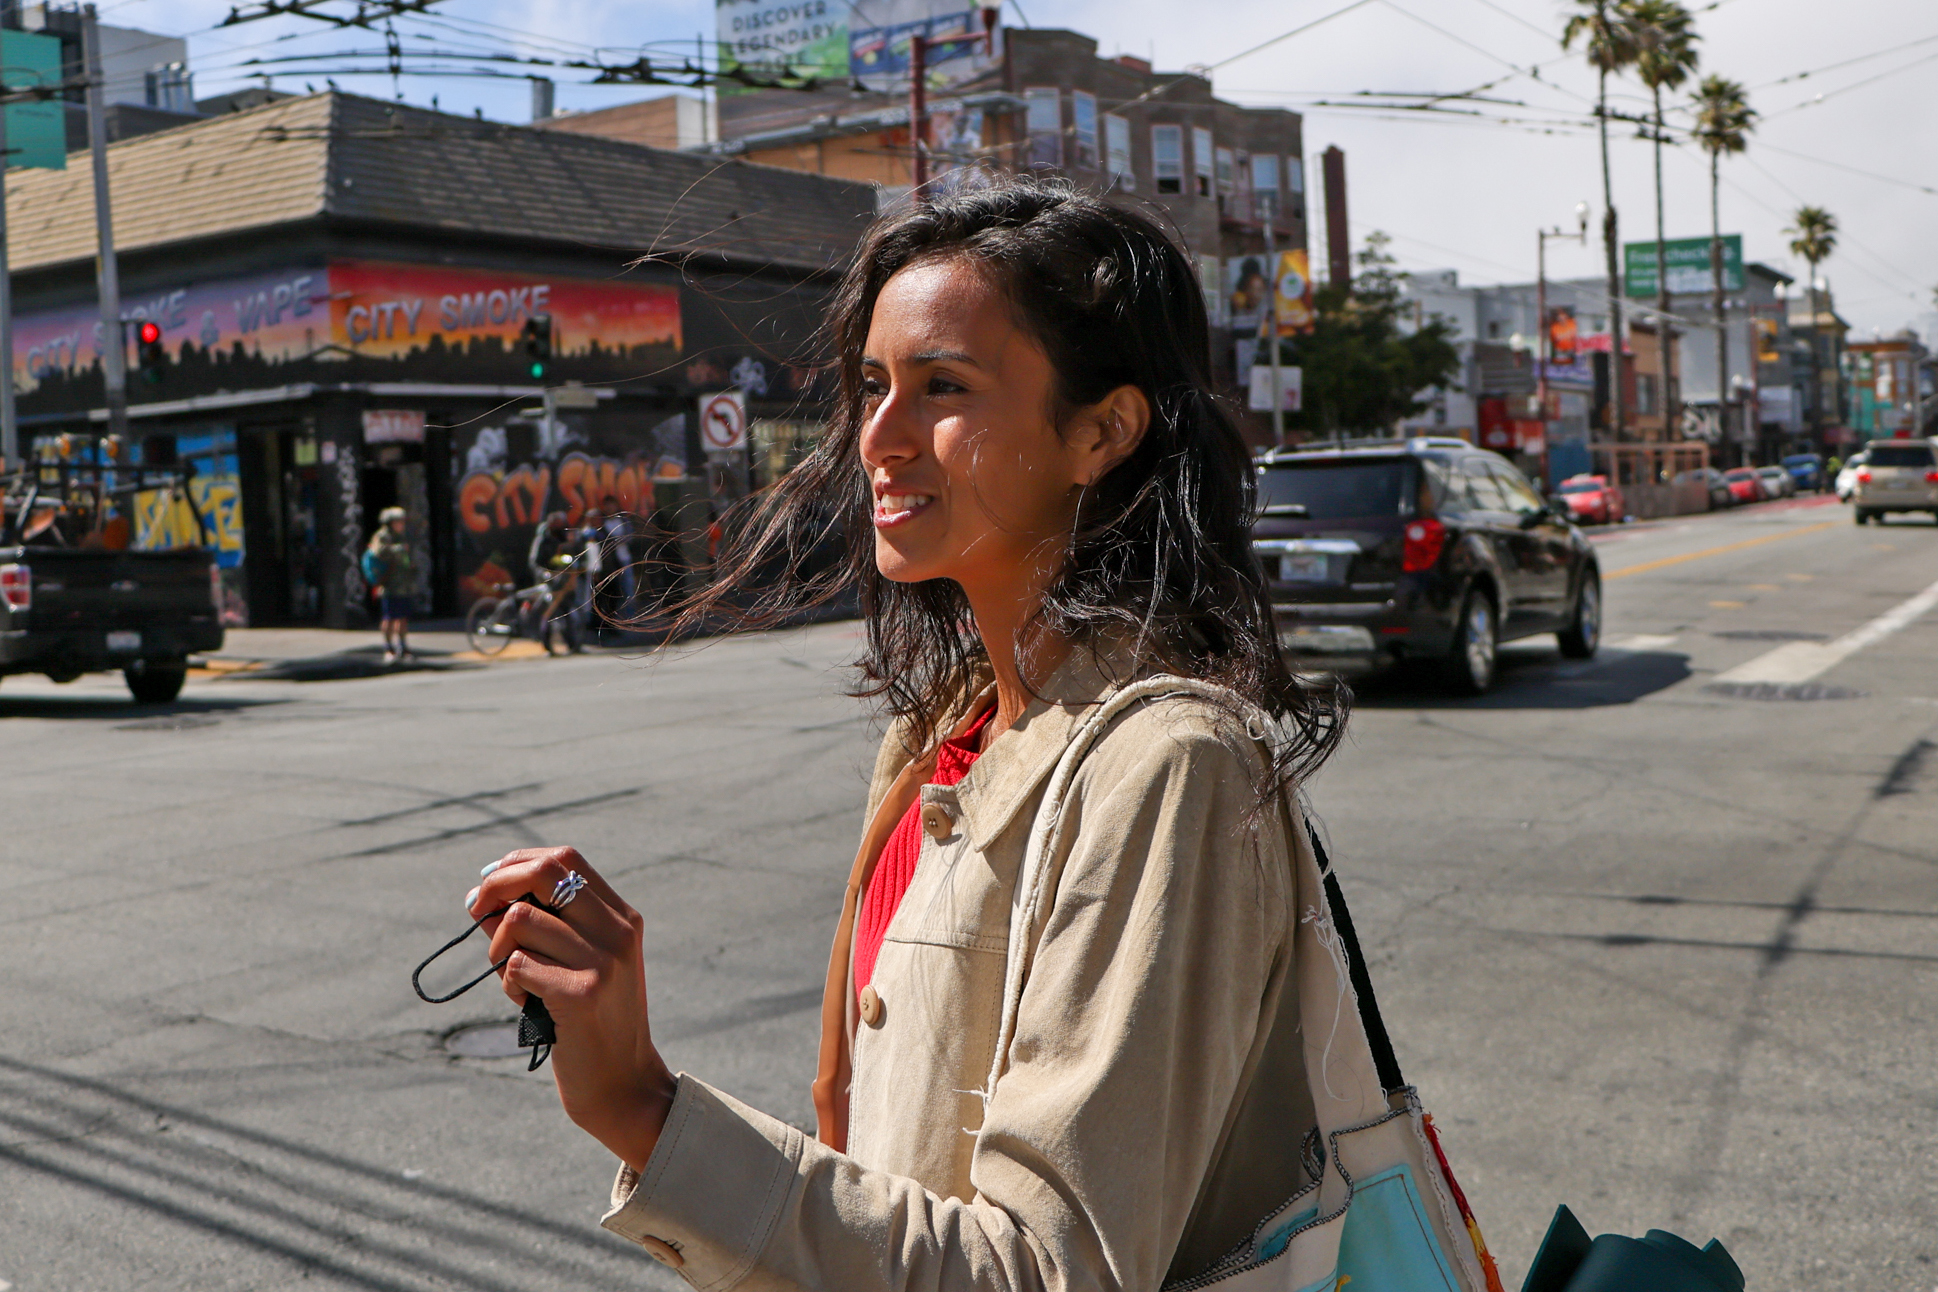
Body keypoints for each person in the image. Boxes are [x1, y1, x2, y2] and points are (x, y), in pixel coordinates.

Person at [465, 180, 1357, 1291]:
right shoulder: (939, 731)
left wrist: (646, 1108)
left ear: (1102, 430)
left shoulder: (1169, 768)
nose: (878, 437)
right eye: (873, 384)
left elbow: (1046, 1268)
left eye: (944, 386)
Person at [361, 506, 415, 664]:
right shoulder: (382, 536)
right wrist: (397, 550)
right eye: (398, 521)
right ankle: (388, 647)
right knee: (389, 618)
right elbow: (379, 553)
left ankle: (403, 647)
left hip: (402, 584)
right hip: (389, 584)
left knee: (402, 618)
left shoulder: (402, 536)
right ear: (390, 522)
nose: (401, 524)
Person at [527, 511, 586, 655]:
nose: (560, 526)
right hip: (548, 582)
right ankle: (547, 646)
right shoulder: (542, 540)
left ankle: (573, 645)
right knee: (549, 613)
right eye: (557, 523)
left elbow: (575, 554)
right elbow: (534, 562)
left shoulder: (565, 537)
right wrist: (544, 574)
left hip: (565, 582)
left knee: (568, 612)